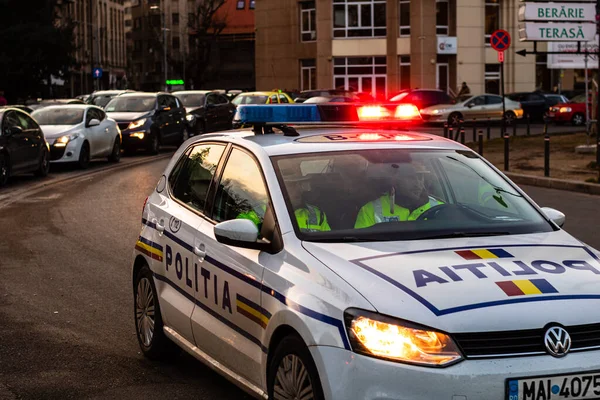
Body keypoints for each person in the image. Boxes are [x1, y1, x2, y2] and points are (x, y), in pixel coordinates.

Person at [237, 163, 330, 233]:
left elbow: (327, 244)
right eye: (292, 185)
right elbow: (238, 231)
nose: (299, 189)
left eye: (299, 184)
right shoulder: (258, 212)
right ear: (279, 187)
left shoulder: (317, 214)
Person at [355, 163, 442, 229]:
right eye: (411, 178)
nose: (417, 184)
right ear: (395, 181)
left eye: (420, 177)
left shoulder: (440, 209)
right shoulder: (370, 211)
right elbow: (361, 248)